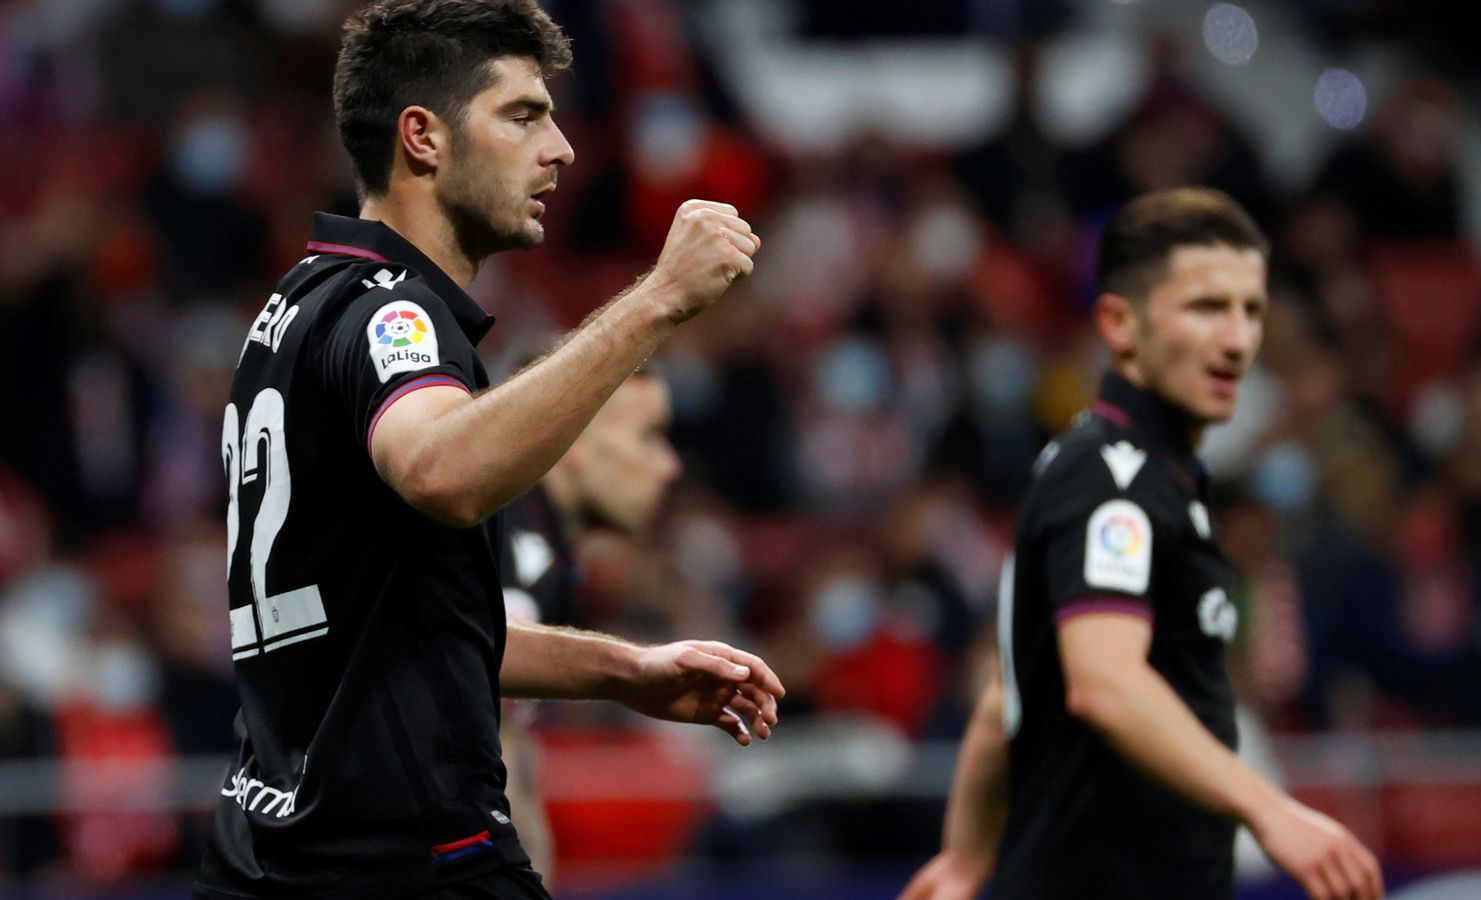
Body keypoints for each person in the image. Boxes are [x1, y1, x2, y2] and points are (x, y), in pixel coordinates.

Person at [195, 2, 782, 898]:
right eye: (521, 115)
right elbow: (442, 472)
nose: (562, 149)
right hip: (404, 857)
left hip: (270, 853)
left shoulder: (302, 304)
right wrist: (658, 297)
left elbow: (405, 630)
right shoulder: (394, 312)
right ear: (422, 138)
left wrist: (626, 671)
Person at [900, 188, 1383, 900]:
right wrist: (1268, 807)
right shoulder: (1112, 480)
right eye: (1205, 307)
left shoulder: (1157, 479)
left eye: (1251, 309)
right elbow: (1105, 683)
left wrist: (967, 859)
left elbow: (1011, 696)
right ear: (1120, 324)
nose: (1238, 338)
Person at [496, 369, 683, 883]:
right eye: (648, 435)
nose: (669, 466)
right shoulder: (509, 541)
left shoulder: (539, 546)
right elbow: (490, 755)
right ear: (570, 436)